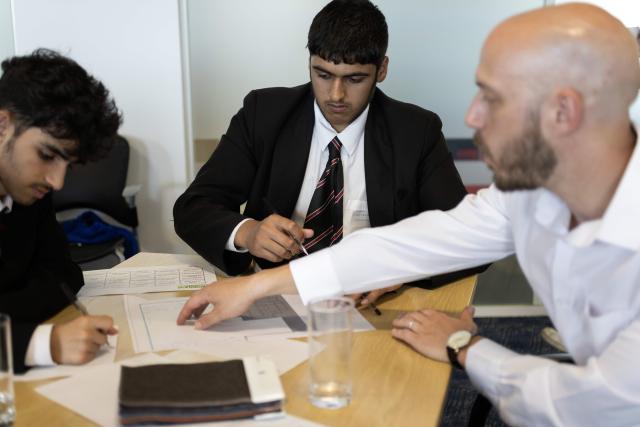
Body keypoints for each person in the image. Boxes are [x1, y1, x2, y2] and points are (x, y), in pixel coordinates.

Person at [178, 3, 640, 425]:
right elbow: (416, 241)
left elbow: (587, 404)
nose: (472, 117)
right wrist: (257, 284)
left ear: (564, 111)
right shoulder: (526, 194)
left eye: (491, 97)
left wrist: (466, 348)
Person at [173, 0, 482, 298]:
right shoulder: (263, 115)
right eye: (323, 75)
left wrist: (400, 269)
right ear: (310, 64)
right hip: (276, 293)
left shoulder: (416, 132)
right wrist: (247, 232)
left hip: (372, 302)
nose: (336, 95)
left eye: (355, 79)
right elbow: (193, 207)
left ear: (382, 70)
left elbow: (467, 237)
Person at [0, 49, 121, 373]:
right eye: (47, 154)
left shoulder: (28, 190)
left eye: (68, 164)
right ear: (2, 125)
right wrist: (43, 343)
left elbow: (63, 277)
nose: (57, 182)